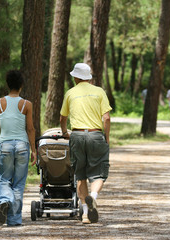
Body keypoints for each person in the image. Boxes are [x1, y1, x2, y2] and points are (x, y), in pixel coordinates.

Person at [60, 63, 112, 224]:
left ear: (76, 77)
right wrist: (107, 137)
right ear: (88, 77)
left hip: (76, 135)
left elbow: (63, 118)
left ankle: (84, 214)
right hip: (96, 134)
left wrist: (64, 133)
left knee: (80, 175)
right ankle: (93, 197)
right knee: (99, 173)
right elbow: (107, 118)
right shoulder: (99, 92)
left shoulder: (70, 93)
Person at [0, 70, 36, 226]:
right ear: (21, 85)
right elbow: (30, 129)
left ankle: (4, 200)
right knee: (18, 183)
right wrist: (34, 150)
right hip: (22, 146)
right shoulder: (27, 104)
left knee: (4, 179)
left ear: (7, 84)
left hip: (4, 144)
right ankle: (14, 219)